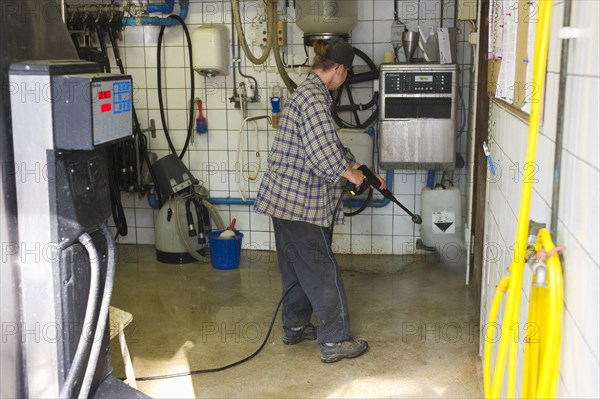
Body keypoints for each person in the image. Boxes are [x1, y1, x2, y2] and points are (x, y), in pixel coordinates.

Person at [254, 37, 386, 363]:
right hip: (299, 204)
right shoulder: (314, 99)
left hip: (283, 201)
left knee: (297, 269)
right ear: (338, 70)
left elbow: (329, 144)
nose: (347, 79)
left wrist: (359, 168)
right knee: (321, 269)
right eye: (348, 73)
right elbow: (322, 155)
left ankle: (295, 327)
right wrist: (352, 176)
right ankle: (334, 341)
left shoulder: (311, 94)